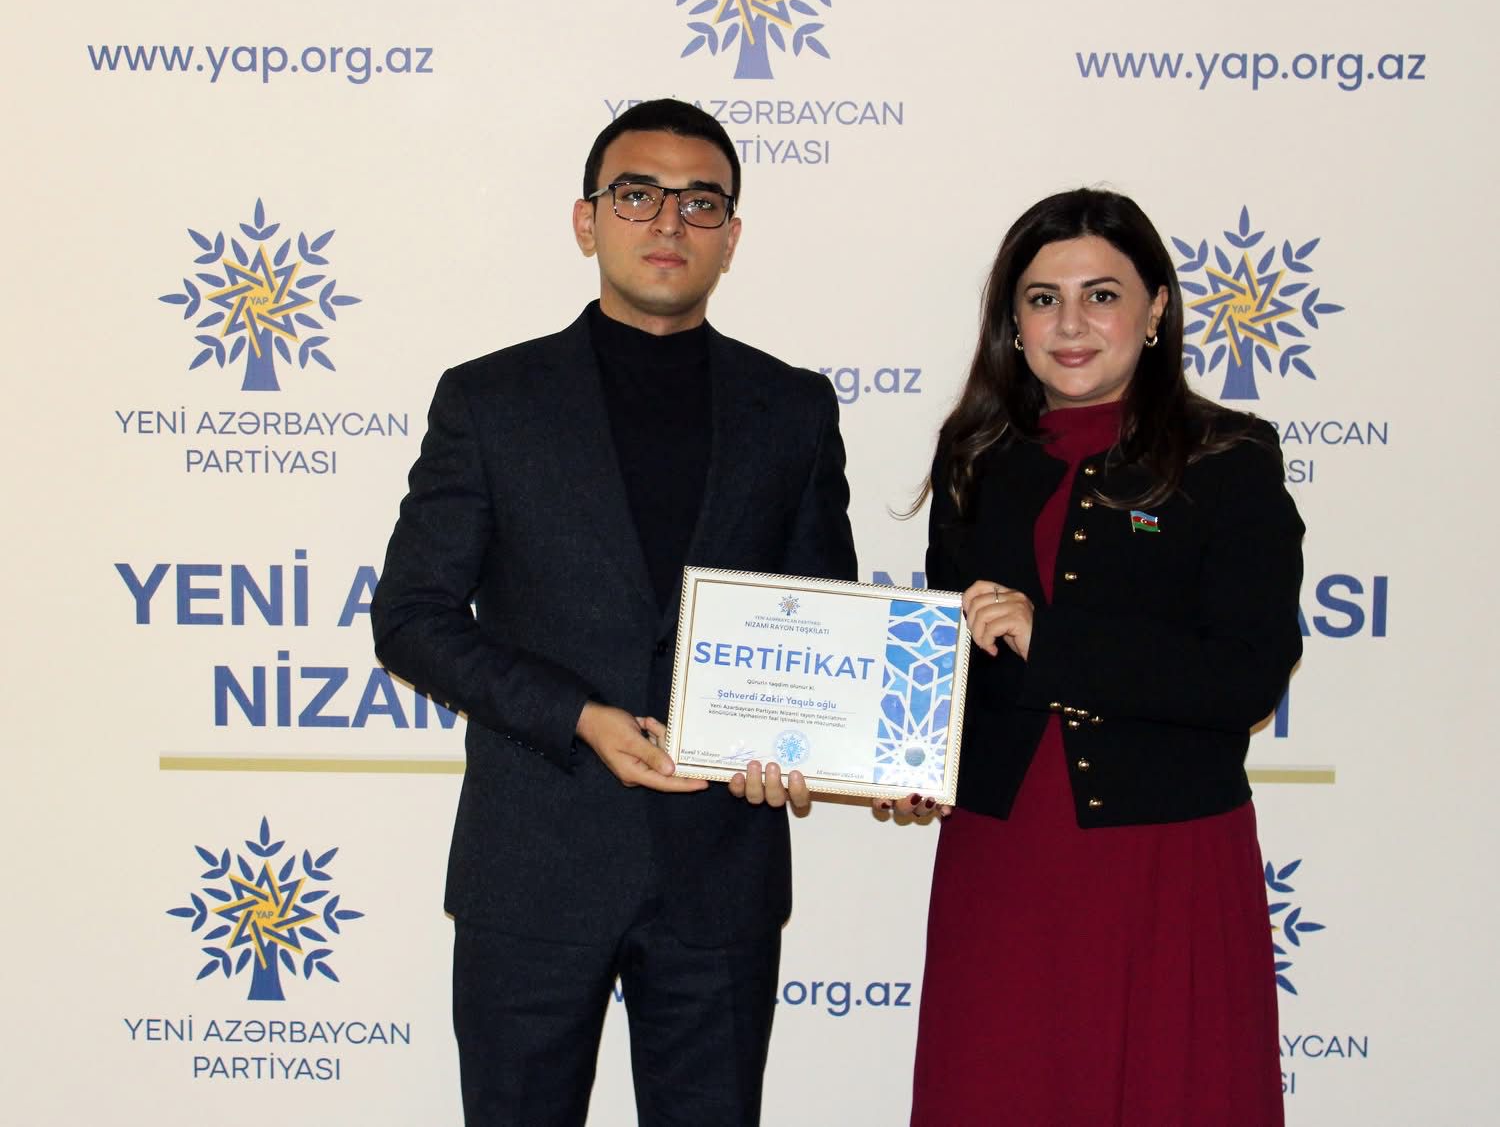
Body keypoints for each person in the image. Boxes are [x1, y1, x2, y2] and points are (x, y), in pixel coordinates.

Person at [371, 99, 857, 1127]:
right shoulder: (489, 400)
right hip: (533, 866)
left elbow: (823, 620)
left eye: (700, 202)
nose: (669, 222)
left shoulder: (794, 409)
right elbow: (411, 616)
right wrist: (580, 715)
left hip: (721, 869)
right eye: (638, 195)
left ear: (732, 234)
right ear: (587, 220)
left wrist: (800, 738)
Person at [897, 188, 1302, 1125]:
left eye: (1102, 295)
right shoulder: (973, 452)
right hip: (1003, 859)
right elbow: (950, 657)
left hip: (1166, 861)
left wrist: (1053, 638)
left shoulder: (1229, 456)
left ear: (1156, 307)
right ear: (1013, 321)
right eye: (1043, 299)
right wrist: (912, 757)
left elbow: (1246, 672)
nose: (1071, 324)